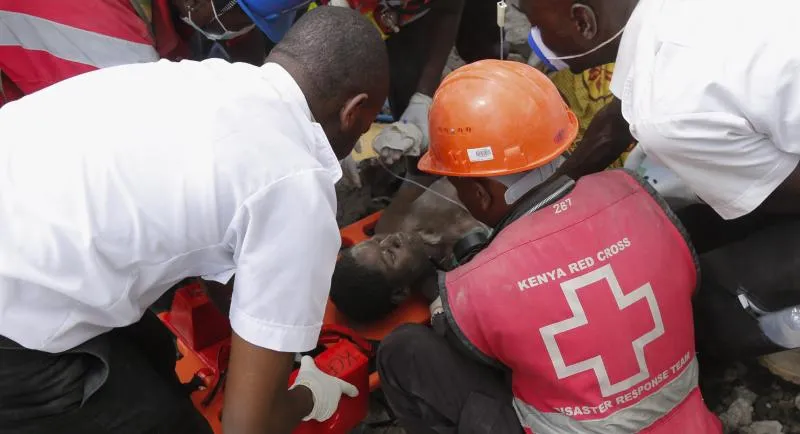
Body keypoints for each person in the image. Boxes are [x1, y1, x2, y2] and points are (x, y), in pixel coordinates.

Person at [0, 6, 388, 434]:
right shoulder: (296, 184)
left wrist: (267, 333)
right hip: (14, 322)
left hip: (22, 230)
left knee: (153, 349)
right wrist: (310, 394)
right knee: (170, 423)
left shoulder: (200, 78)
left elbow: (214, 237)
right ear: (354, 111)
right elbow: (247, 426)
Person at [376, 60, 722, 434]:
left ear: (479, 193)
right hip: (693, 425)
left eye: (459, 189)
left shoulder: (477, 286)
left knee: (405, 350)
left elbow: (470, 351)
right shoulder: (635, 193)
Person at [519, 0, 800, 378]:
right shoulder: (660, 21)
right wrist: (533, 208)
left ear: (583, 21)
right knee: (680, 232)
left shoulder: (668, 110)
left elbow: (779, 193)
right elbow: (616, 122)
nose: (535, 39)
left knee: (701, 303)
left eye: (537, 25)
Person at [0, 0, 308, 107]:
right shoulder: (106, 36)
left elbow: (245, 48)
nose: (242, 29)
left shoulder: (198, 10)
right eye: (244, 19)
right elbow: (141, 141)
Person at [331, 178, 484, 322]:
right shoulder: (455, 276)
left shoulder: (388, 224)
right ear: (400, 293)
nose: (390, 239)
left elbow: (418, 178)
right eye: (391, 255)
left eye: (376, 240)